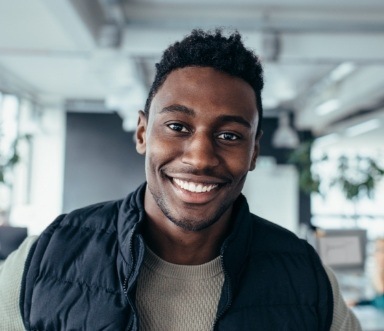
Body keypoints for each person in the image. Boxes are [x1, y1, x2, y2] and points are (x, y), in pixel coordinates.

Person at [0, 29, 361, 330]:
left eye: (230, 136)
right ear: (142, 133)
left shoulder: (308, 281)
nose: (200, 157)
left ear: (254, 152)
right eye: (177, 127)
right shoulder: (43, 260)